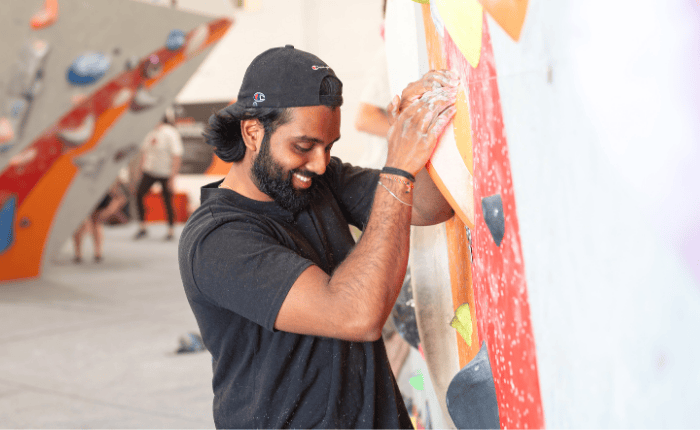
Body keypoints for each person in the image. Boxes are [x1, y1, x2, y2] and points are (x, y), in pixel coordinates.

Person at [178, 45, 459, 428]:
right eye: (303, 146)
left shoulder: (320, 182)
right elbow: (355, 314)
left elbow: (430, 207)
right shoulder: (216, 240)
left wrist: (409, 125)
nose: (319, 162)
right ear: (253, 132)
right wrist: (396, 171)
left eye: (328, 147)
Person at [133, 111, 183, 240]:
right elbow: (144, 153)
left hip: (165, 172)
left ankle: (171, 230)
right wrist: (140, 171)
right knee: (139, 194)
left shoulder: (170, 132)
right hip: (149, 171)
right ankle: (142, 226)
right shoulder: (149, 132)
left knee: (167, 200)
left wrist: (172, 178)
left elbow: (176, 156)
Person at [73, 182, 127, 263]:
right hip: (90, 190)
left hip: (96, 192)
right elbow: (120, 197)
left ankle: (95, 253)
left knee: (93, 222)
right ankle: (82, 253)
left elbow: (120, 197)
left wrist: (109, 210)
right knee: (84, 224)